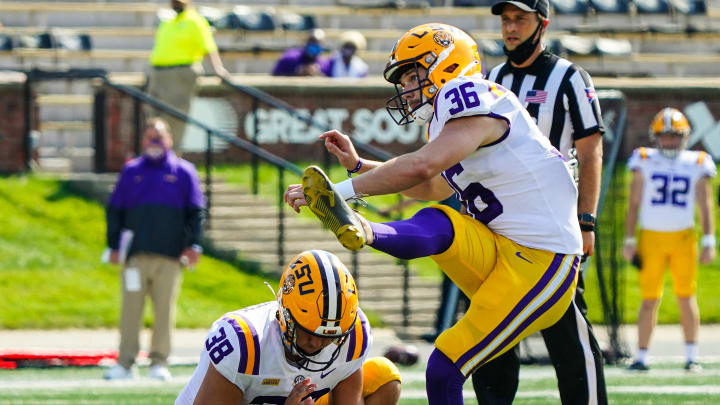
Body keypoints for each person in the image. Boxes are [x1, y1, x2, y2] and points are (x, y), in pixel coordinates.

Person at [284, 23, 583, 405]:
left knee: (445, 365)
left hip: (544, 261)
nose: (407, 88)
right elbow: (429, 187)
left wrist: (336, 193)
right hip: (502, 249)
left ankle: (357, 221)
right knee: (441, 221)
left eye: (412, 74)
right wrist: (359, 166)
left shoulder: (470, 93)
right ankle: (365, 229)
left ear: (445, 62)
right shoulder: (455, 120)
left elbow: (421, 167)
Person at [474, 0, 608, 403]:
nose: (511, 28)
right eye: (505, 20)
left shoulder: (569, 76)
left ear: (542, 24)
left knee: (567, 329)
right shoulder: (490, 78)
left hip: (552, 224)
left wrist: (587, 220)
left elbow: (590, 152)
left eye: (520, 19)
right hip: (498, 223)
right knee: (492, 328)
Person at [175, 249, 402, 405]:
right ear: (285, 314)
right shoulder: (245, 341)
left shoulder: (355, 336)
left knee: (384, 377)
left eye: (329, 337)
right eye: (308, 332)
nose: (317, 344)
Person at [104, 118, 205, 381]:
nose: (154, 143)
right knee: (130, 310)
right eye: (150, 137)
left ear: (169, 140)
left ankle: (159, 362)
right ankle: (125, 363)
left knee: (163, 312)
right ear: (143, 141)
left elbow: (196, 213)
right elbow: (115, 210)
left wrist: (193, 244)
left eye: (159, 137)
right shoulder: (131, 171)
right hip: (135, 256)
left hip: (170, 257)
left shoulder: (183, 172)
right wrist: (113, 245)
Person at [622, 108, 716, 372]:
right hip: (650, 236)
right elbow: (634, 202)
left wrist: (709, 240)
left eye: (675, 136)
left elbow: (705, 204)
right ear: (656, 137)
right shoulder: (644, 159)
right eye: (665, 136)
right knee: (649, 298)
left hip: (683, 237)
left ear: (684, 137)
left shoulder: (697, 161)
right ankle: (641, 357)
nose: (670, 141)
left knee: (686, 296)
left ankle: (691, 355)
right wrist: (629, 239)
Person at [147, 0, 230, 148]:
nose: (175, 3)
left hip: (180, 74)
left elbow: (208, 46)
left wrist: (218, 69)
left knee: (174, 120)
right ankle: (154, 159)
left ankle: (171, 159)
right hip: (158, 74)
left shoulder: (195, 21)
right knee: (154, 121)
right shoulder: (168, 21)